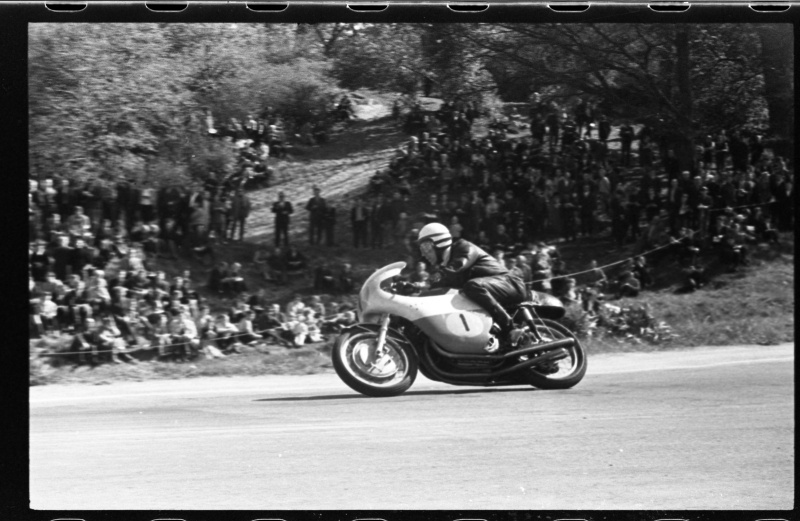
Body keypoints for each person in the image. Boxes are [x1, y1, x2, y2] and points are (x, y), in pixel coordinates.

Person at [414, 223, 527, 352]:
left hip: (510, 283)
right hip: (493, 289)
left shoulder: (463, 248)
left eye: (426, 247)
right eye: (421, 249)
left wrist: (424, 283)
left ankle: (511, 328)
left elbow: (456, 267)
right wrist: (414, 290)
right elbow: (437, 289)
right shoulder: (445, 267)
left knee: (473, 286)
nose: (424, 254)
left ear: (439, 242)